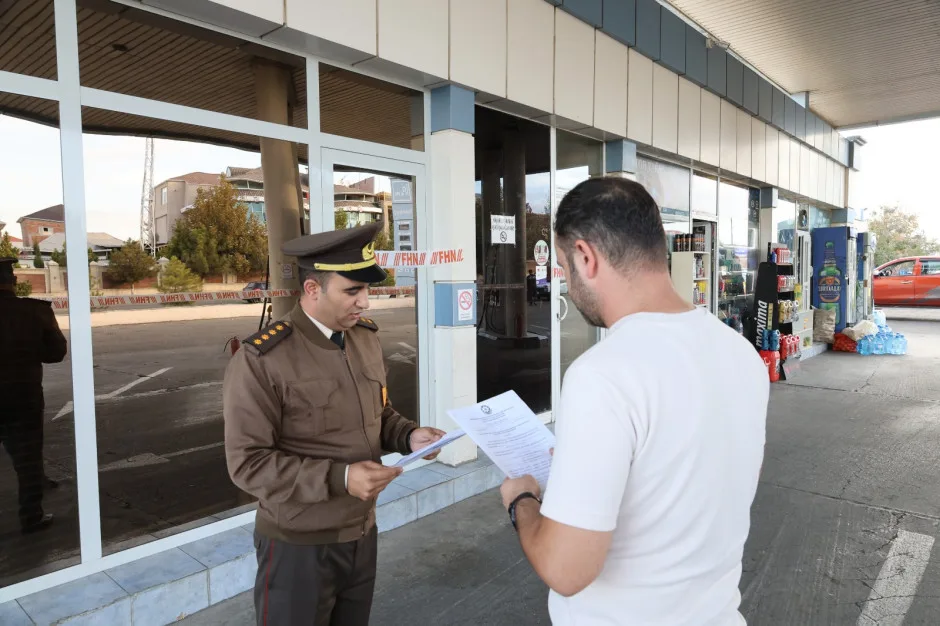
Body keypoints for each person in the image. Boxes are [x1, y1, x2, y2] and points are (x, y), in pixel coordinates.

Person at [500, 178, 769, 625]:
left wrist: (522, 501)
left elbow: (567, 571)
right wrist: (585, 465)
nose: (565, 285)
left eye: (564, 269)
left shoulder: (600, 375)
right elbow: (717, 476)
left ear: (586, 257)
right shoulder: (739, 352)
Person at [223, 222, 445, 626]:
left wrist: (408, 434)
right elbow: (247, 464)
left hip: (361, 533)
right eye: (352, 291)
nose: (365, 304)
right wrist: (340, 479)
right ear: (312, 290)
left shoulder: (363, 338)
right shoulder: (262, 359)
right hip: (298, 547)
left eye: (367, 291)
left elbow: (379, 414)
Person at [0, 257, 67, 533]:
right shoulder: (34, 311)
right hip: (22, 395)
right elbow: (56, 352)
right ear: (14, 281)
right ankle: (31, 516)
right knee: (28, 457)